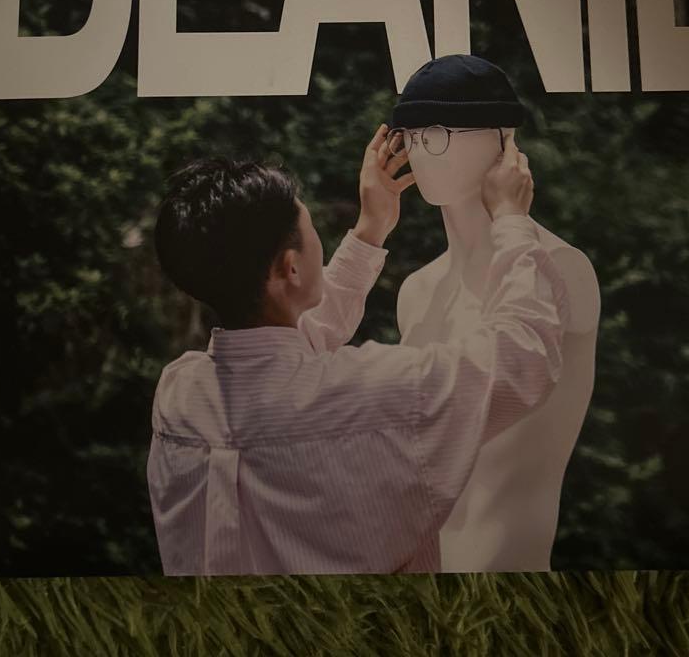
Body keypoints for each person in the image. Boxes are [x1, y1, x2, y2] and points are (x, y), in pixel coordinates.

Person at [146, 124, 568, 575]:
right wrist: (511, 220)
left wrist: (371, 228)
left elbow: (287, 348)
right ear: (291, 268)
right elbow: (525, 354)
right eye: (310, 229)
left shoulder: (179, 396)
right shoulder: (377, 393)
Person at [391, 53, 601, 572]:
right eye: (410, 135)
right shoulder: (417, 292)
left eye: (438, 133)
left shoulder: (560, 268)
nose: (421, 150)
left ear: (504, 138)